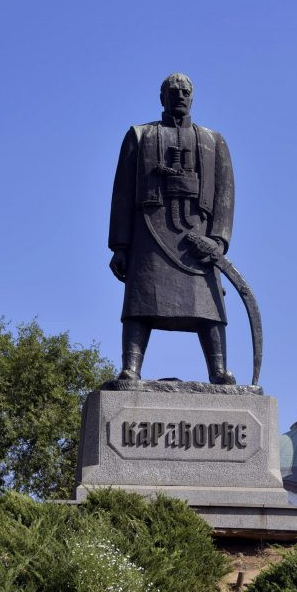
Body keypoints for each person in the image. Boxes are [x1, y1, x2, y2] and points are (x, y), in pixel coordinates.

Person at [107, 73, 236, 383]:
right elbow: (122, 192)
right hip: (150, 233)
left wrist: (218, 241)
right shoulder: (140, 136)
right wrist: (120, 246)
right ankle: (131, 367)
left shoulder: (213, 140)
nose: (180, 95)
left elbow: (225, 196)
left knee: (210, 305)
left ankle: (218, 371)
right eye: (173, 91)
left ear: (192, 97)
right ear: (162, 97)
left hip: (197, 238)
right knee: (140, 301)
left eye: (186, 91)